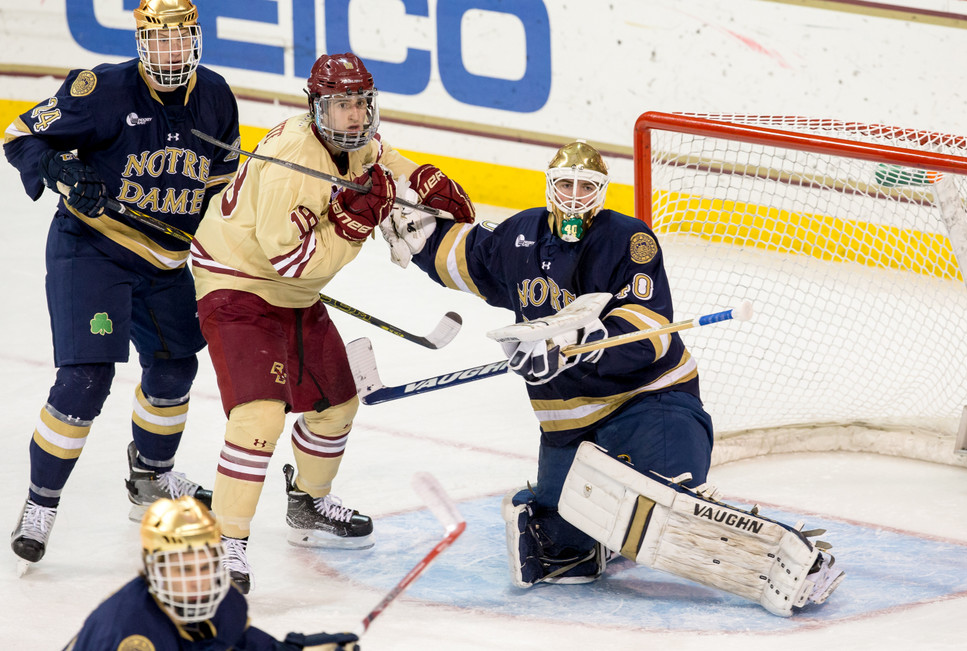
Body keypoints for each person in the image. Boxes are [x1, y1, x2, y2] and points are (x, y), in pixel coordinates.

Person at [379, 140, 844, 615]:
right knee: (556, 549)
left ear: (602, 191)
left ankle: (788, 558)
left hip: (648, 402)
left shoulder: (629, 240)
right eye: (565, 184)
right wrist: (419, 236)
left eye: (587, 186)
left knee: (668, 499)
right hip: (568, 426)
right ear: (549, 185)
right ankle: (589, 536)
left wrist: (572, 350)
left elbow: (651, 333)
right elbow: (470, 258)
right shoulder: (522, 235)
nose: (575, 195)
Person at [189, 51, 475, 594]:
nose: (355, 114)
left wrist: (424, 179)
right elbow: (294, 264)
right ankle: (228, 540)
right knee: (260, 417)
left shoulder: (352, 135)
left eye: (362, 103)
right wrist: (351, 223)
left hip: (293, 291)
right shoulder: (289, 164)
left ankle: (309, 503)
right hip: (237, 284)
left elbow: (382, 157)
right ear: (316, 105)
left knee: (336, 406)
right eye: (342, 104)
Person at [4, 0, 239, 564]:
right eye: (158, 41)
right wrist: (62, 170)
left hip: (164, 261)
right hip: (93, 250)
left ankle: (150, 477)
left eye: (179, 39)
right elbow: (18, 135)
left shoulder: (215, 96)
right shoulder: (103, 90)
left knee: (176, 366)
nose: (170, 52)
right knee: (85, 380)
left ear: (195, 40)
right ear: (140, 44)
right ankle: (41, 503)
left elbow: (222, 190)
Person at [63, 495, 360, 650]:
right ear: (154, 569)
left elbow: (233, 643)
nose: (198, 580)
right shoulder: (129, 631)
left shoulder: (221, 602)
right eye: (184, 569)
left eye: (205, 566)